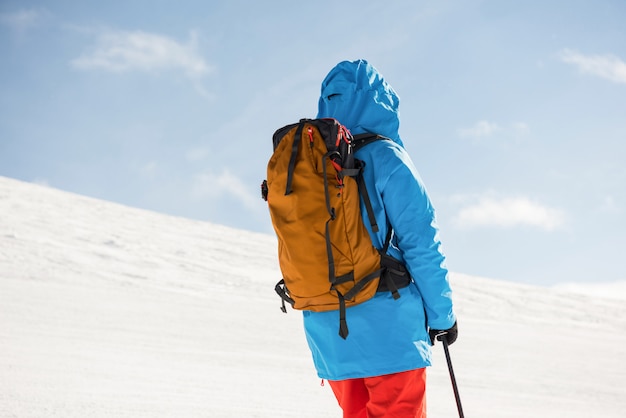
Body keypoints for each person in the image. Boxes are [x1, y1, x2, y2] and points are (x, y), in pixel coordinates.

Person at [302, 59, 458, 418]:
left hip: (328, 331)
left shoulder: (312, 163)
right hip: (389, 330)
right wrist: (442, 317)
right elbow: (421, 244)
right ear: (381, 102)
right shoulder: (386, 157)